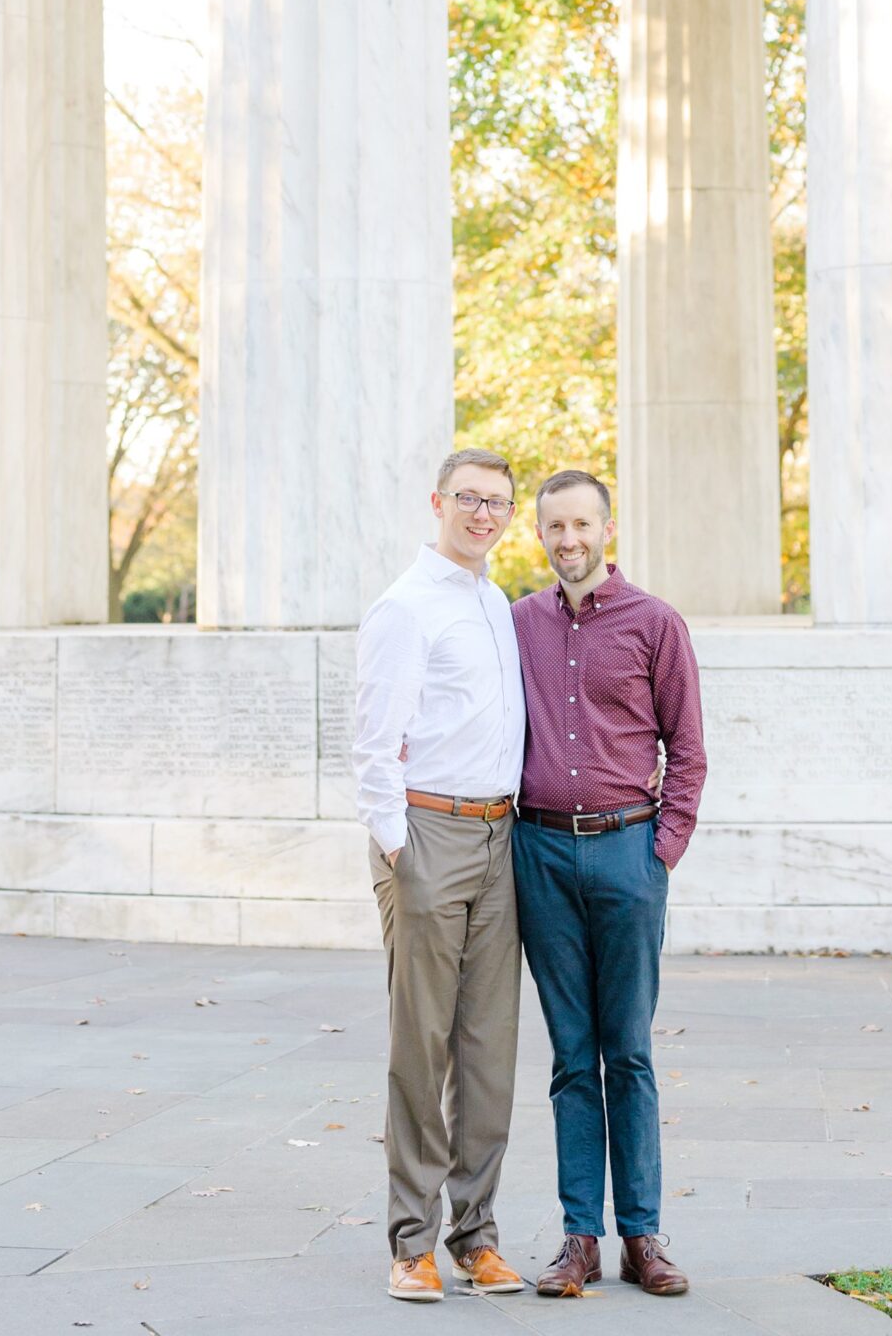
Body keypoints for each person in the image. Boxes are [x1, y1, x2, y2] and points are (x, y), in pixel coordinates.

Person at [510, 468, 708, 1300]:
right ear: (542, 535)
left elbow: (688, 751)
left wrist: (659, 852)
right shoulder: (514, 622)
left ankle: (642, 1236)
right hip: (542, 857)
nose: (568, 540)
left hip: (628, 855)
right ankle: (577, 1238)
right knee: (567, 1058)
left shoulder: (655, 623)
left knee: (626, 1054)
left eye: (581, 525)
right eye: (554, 527)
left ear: (607, 528)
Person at [353, 447, 529, 1303]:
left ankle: (476, 1236)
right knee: (420, 1046)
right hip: (427, 836)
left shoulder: (496, 602)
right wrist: (397, 847)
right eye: (469, 499)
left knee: (489, 1050)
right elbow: (371, 741)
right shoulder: (405, 607)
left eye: (497, 502)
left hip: (502, 840)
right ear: (437, 503)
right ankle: (411, 1242)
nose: (484, 514)